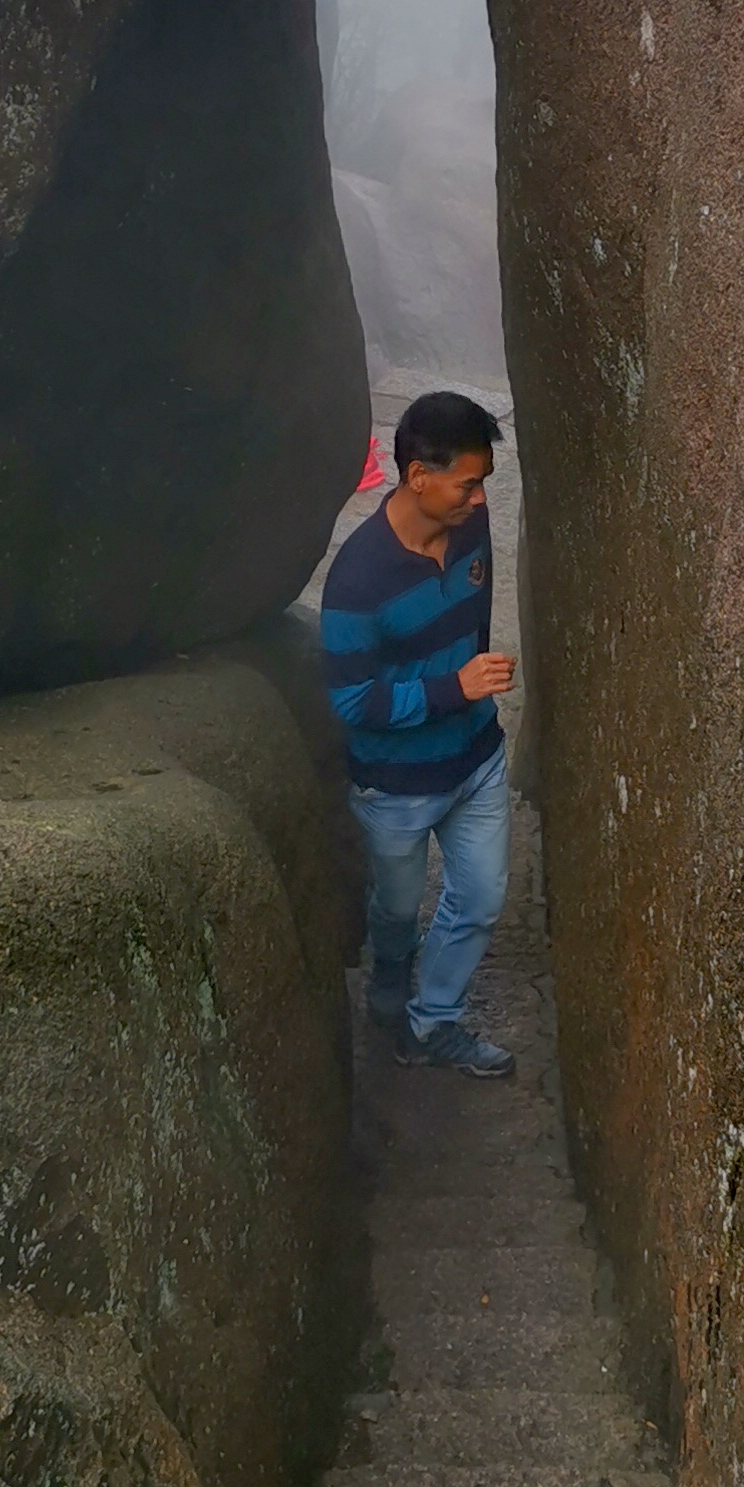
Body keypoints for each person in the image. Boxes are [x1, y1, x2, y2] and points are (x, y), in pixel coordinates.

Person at [320, 388, 517, 1076]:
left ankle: (432, 1021)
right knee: (398, 909)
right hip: (395, 788)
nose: (480, 498)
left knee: (483, 898)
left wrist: (468, 698)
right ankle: (389, 973)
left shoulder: (471, 527)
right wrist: (449, 689)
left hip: (477, 761)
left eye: (484, 483)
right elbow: (350, 701)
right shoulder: (356, 581)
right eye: (469, 484)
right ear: (417, 478)